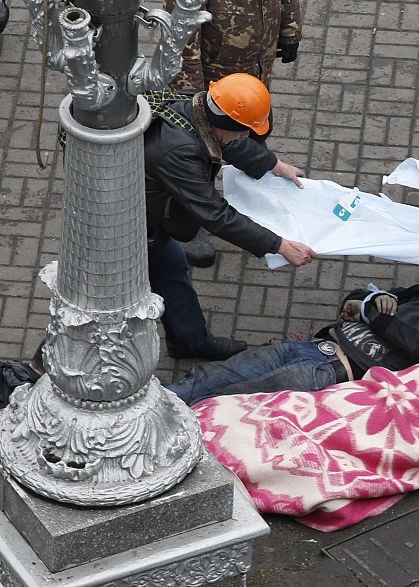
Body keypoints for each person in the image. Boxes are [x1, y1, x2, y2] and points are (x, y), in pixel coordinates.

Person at [145, 72, 316, 361]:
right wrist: (278, 245)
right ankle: (43, 361)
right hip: (123, 230)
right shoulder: (180, 152)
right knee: (94, 300)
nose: (246, 136)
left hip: (147, 222)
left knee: (171, 268)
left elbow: (227, 142)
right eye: (243, 131)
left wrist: (273, 164)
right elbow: (216, 215)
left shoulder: (197, 105)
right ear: (223, 125)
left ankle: (190, 342)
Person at [167, 285, 419, 405]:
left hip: (326, 371)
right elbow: (362, 299)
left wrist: (371, 313)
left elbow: (414, 347)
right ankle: (137, 411)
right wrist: (362, 301)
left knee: (230, 396)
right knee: (211, 376)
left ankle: (152, 441)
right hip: (314, 347)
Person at [163, 0, 303, 268]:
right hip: (214, 83)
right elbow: (180, 37)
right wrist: (191, 97)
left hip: (252, 79)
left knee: (254, 137)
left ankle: (252, 209)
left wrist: (290, 29)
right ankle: (186, 227)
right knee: (198, 163)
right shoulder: (180, 146)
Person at [165, 0, 301, 93]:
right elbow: (180, 47)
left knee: (256, 128)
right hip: (217, 82)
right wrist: (188, 97)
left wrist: (290, 29)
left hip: (260, 69)